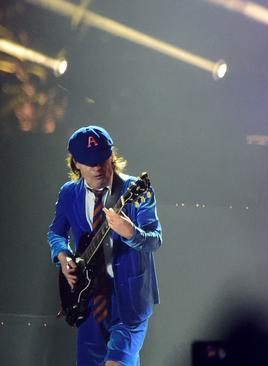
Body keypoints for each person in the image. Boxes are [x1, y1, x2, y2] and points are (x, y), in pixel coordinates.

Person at [47, 125, 162, 366]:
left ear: (111, 156)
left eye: (102, 159)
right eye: (89, 162)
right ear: (76, 163)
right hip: (89, 303)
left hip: (129, 301)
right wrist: (62, 255)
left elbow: (155, 239)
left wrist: (131, 232)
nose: (97, 167)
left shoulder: (135, 190)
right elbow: (56, 233)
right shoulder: (69, 193)